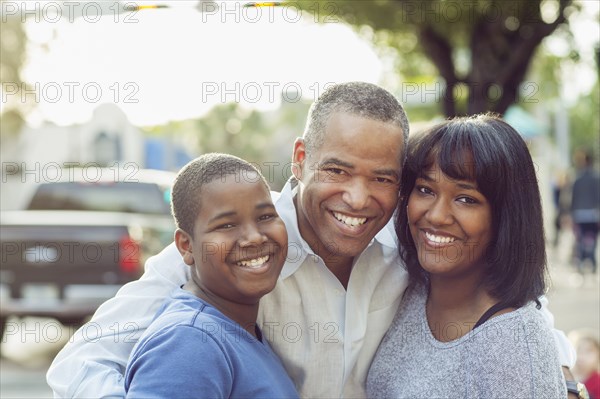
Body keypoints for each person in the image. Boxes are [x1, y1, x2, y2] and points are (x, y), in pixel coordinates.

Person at [47, 83, 575, 398]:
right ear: (300, 160)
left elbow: (512, 316)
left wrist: (560, 363)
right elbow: (82, 358)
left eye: (383, 178)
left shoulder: (410, 242)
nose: (358, 198)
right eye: (337, 170)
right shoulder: (237, 248)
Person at [367, 115, 567, 398]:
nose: (436, 216)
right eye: (425, 190)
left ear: (506, 216)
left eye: (466, 199)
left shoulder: (513, 345)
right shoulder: (405, 284)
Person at [124, 153, 297, 397]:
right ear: (186, 246)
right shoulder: (189, 341)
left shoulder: (234, 327)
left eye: (266, 216)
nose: (255, 237)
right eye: (226, 225)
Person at [570, 149, 600, 274]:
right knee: (592, 238)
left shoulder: (577, 179)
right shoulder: (596, 178)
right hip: (593, 214)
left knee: (581, 239)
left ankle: (582, 262)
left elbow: (574, 198)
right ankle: (592, 262)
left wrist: (571, 215)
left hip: (579, 214)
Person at [569, 329, 600, 399]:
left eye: (588, 351)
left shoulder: (597, 382)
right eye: (579, 349)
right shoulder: (565, 376)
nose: (582, 355)